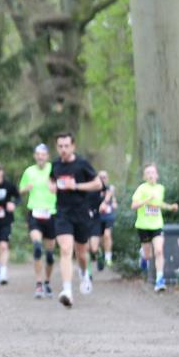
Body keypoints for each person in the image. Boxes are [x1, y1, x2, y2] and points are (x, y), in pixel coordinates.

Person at [50, 132, 103, 308]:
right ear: (57, 147)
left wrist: (76, 186)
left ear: (73, 146)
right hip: (62, 213)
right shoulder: (55, 165)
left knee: (81, 253)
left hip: (81, 213)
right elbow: (51, 180)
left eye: (66, 146)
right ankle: (67, 291)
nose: (63, 149)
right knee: (66, 249)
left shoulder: (82, 164)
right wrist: (52, 186)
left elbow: (98, 184)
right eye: (60, 146)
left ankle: (84, 273)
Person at [130, 162, 178, 292]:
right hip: (143, 226)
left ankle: (160, 280)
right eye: (148, 173)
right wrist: (147, 200)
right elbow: (133, 206)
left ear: (157, 175)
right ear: (144, 177)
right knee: (148, 255)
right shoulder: (141, 189)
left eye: (152, 172)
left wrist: (170, 207)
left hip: (157, 225)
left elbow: (158, 204)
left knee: (159, 251)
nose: (151, 175)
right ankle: (143, 255)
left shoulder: (160, 188)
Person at [19, 143, 57, 298]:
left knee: (49, 254)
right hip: (34, 213)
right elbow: (20, 190)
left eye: (43, 154)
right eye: (38, 154)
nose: (40, 157)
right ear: (35, 156)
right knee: (37, 247)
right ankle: (39, 284)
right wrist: (25, 189)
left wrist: (56, 189)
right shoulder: (29, 171)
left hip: (51, 213)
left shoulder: (53, 169)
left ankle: (47, 282)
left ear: (47, 156)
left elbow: (62, 188)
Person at [96, 171, 117, 270]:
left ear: (107, 178)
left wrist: (114, 205)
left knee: (107, 235)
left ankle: (108, 257)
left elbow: (114, 201)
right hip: (98, 217)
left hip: (108, 216)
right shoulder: (94, 189)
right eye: (100, 177)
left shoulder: (110, 189)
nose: (102, 179)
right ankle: (101, 255)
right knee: (99, 239)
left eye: (104, 177)